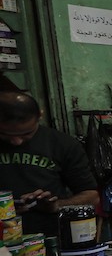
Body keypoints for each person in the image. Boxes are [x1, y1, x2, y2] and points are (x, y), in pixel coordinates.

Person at [0, 92, 100, 236]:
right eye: (6, 134)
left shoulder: (62, 144)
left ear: (40, 115)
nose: (17, 141)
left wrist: (55, 205)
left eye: (26, 133)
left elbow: (91, 197)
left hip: (47, 239)